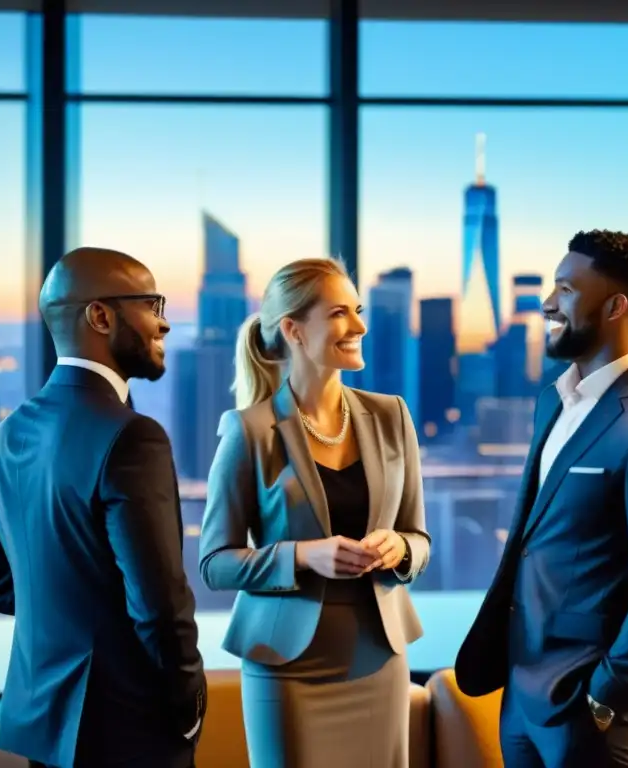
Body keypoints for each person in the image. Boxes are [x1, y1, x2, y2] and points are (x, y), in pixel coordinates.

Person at [455, 230, 628, 768]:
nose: (548, 303)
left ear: (616, 306)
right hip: (522, 693)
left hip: (587, 710)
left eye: (566, 289)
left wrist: (607, 696)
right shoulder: (553, 400)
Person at [0, 247, 207, 768]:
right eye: (153, 304)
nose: (164, 325)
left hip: (46, 726)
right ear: (100, 315)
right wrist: (190, 705)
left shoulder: (4, 437)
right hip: (129, 728)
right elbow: (159, 606)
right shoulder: (132, 436)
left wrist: (75, 622)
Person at [198, 257, 430, 768]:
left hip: (379, 659)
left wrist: (402, 547)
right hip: (287, 668)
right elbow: (214, 562)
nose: (361, 326)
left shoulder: (392, 416)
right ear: (294, 330)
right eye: (341, 313)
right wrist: (304, 556)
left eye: (360, 310)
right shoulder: (249, 430)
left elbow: (419, 537)